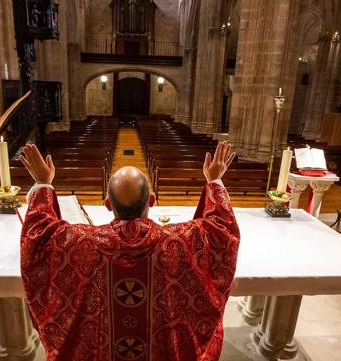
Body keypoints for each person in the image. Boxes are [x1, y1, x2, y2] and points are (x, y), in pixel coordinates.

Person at [19, 141, 240, 361]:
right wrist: (214, 181)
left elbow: (38, 237)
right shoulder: (179, 242)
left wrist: (43, 184)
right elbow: (220, 231)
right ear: (152, 201)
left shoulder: (81, 242)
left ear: (107, 204)